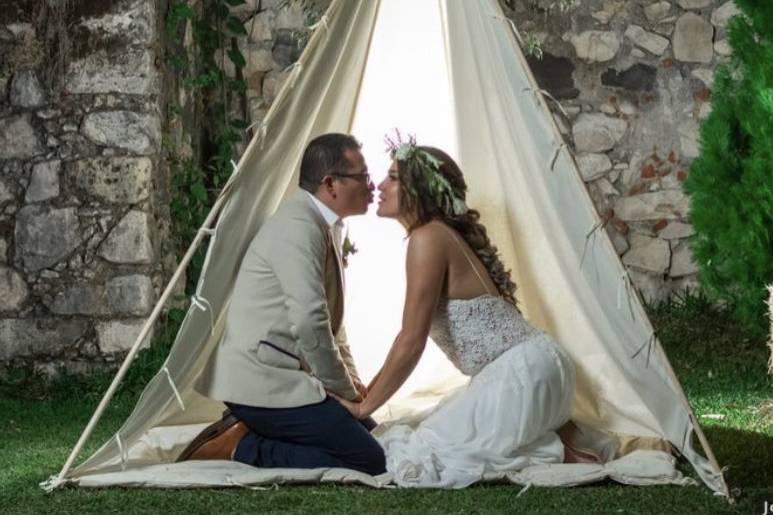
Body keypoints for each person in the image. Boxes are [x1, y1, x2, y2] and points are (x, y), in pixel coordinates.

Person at [331, 137, 593, 487]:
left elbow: (411, 341)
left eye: (393, 177)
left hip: (525, 374)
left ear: (419, 188)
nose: (379, 184)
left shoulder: (428, 238)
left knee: (417, 454)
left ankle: (555, 449)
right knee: (416, 432)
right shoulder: (440, 234)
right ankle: (550, 440)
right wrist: (367, 396)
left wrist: (363, 409)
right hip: (542, 367)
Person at [179, 133, 386, 476]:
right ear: (330, 184)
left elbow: (334, 323)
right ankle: (239, 445)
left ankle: (248, 429)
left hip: (290, 375)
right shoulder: (298, 226)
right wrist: (345, 392)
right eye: (363, 176)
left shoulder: (326, 224)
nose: (372, 184)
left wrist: (352, 386)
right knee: (369, 460)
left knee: (371, 432)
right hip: (262, 380)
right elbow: (310, 322)